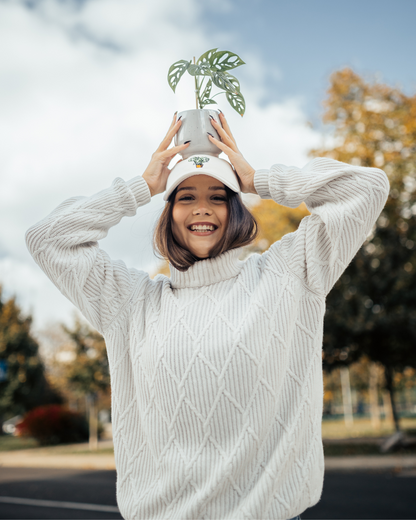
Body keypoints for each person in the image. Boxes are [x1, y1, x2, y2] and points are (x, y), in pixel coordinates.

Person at [25, 111, 389, 520]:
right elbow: (47, 237)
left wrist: (258, 180)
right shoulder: (131, 302)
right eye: (186, 197)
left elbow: (366, 187)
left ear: (235, 208)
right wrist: (140, 188)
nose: (203, 209)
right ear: (169, 212)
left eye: (218, 196)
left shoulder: (291, 273)